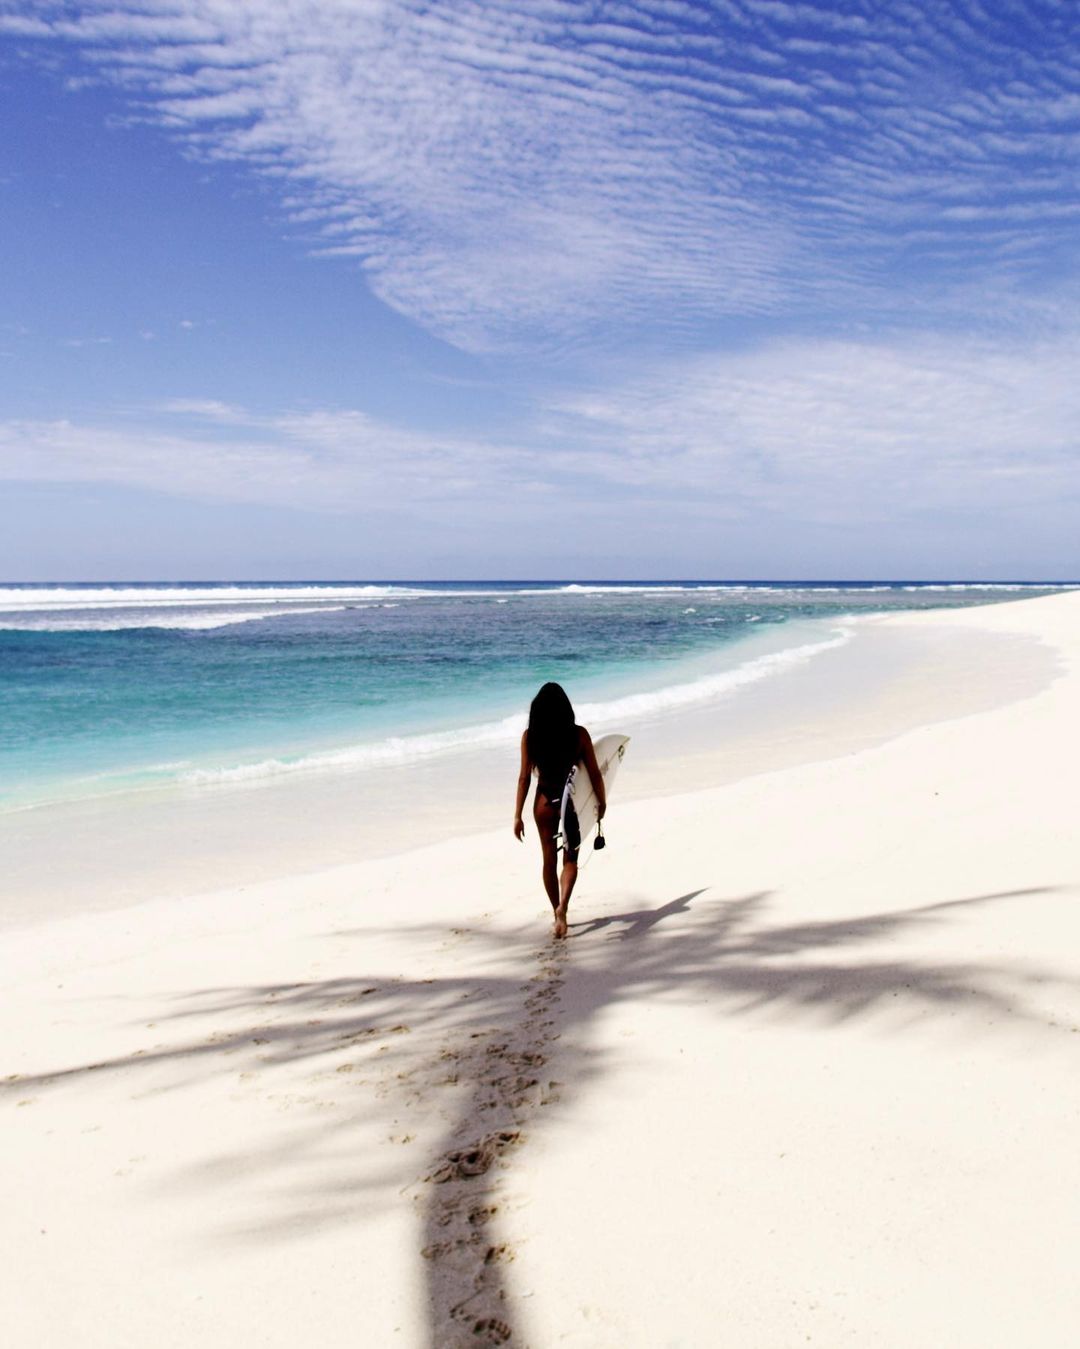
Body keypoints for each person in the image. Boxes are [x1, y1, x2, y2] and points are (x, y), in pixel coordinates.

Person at [513, 682, 606, 939]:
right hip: (571, 802)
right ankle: (563, 905)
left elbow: (524, 778)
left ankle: (556, 915)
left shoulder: (530, 737)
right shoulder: (579, 735)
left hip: (543, 803)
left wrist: (517, 815)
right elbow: (594, 774)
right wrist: (601, 801)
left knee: (548, 861)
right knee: (570, 860)